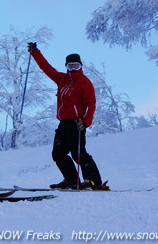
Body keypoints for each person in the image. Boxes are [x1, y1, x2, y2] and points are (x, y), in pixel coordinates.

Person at [27, 42, 109, 190]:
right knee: (58, 153)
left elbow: (91, 104)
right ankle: (71, 180)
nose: (73, 68)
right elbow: (46, 68)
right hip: (63, 123)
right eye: (70, 66)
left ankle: (93, 180)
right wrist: (35, 53)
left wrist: (86, 122)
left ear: (81, 66)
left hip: (77, 123)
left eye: (76, 66)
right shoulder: (62, 79)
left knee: (78, 153)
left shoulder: (85, 83)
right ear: (66, 66)